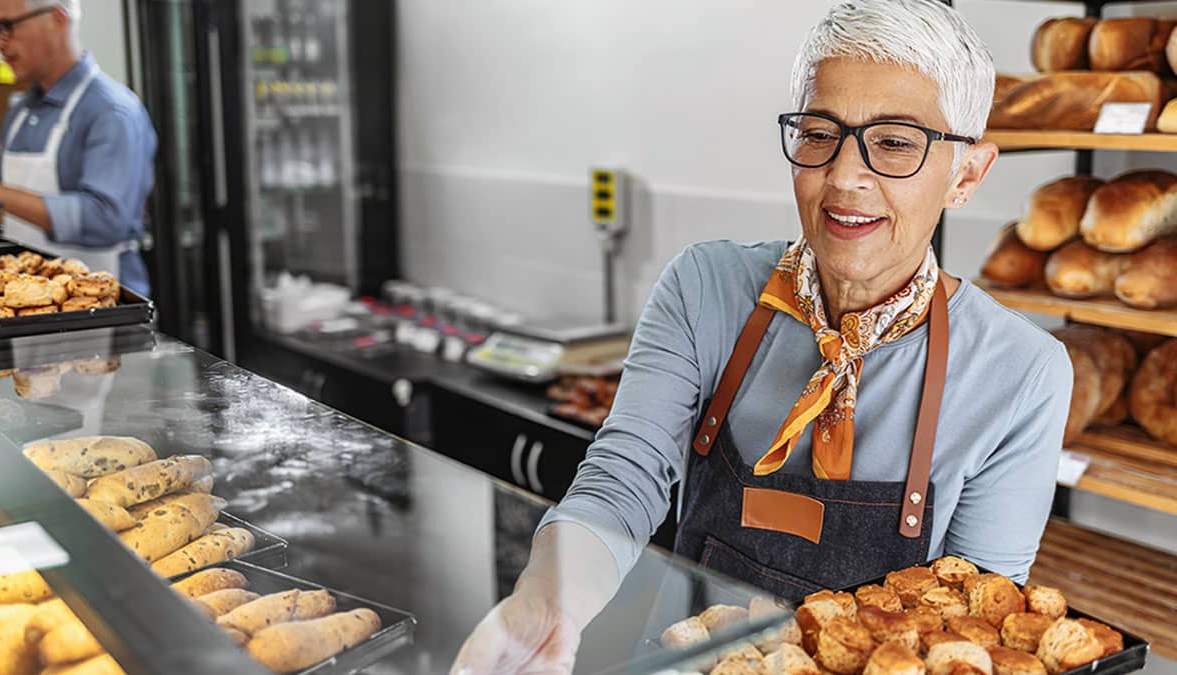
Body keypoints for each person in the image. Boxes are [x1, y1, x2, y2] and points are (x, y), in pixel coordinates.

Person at [451, 1, 1074, 673]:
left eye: (894, 142)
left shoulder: (1020, 372)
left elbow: (977, 626)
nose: (843, 176)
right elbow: (621, 480)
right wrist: (550, 599)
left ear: (968, 175)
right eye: (817, 133)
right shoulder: (705, 288)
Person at [0, 0, 157, 296]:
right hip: (27, 304)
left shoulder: (110, 112)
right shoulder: (20, 112)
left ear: (57, 19)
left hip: (102, 307)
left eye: (6, 27)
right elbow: (5, 213)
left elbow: (107, 220)